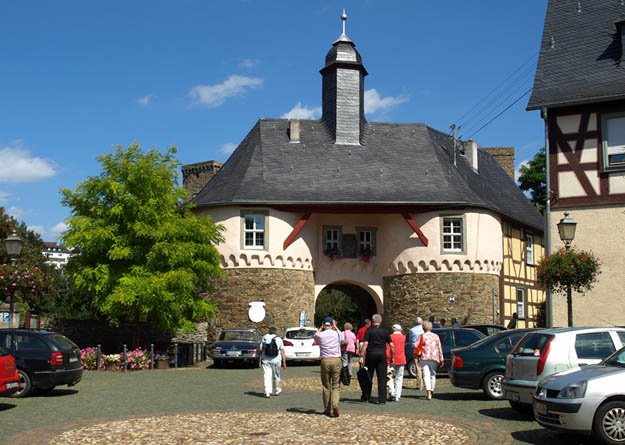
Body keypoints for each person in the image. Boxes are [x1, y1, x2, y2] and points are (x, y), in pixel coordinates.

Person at [359, 313, 393, 405]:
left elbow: (365, 344)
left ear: (373, 321)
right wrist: (392, 356)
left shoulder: (369, 330)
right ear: (380, 321)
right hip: (382, 355)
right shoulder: (385, 331)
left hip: (371, 354)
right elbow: (391, 345)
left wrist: (361, 355)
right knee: (382, 378)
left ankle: (366, 396)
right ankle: (382, 399)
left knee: (368, 376)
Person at [314, 316, 343, 417]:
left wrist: (321, 327)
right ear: (332, 324)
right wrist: (336, 327)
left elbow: (315, 335)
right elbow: (342, 337)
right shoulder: (336, 334)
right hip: (336, 360)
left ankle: (327, 409)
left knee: (326, 386)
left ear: (323, 324)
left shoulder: (320, 335)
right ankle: (335, 404)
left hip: (325, 361)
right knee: (335, 385)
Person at [417, 321, 444, 400]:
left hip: (424, 357)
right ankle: (431, 390)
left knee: (426, 375)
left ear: (423, 328)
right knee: (433, 374)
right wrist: (441, 358)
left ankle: (428, 391)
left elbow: (416, 345)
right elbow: (439, 347)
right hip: (434, 357)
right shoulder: (436, 336)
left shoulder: (422, 336)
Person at [259, 327, 286, 398]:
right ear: (275, 332)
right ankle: (277, 389)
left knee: (267, 375)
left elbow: (260, 349)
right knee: (276, 375)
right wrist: (284, 362)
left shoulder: (265, 337)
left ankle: (267, 392)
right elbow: (282, 351)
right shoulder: (279, 339)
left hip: (266, 360)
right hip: (276, 359)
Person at [386, 324, 406, 401]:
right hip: (401, 358)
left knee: (390, 376)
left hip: (391, 359)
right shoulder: (403, 337)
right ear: (400, 330)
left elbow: (388, 349)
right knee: (399, 377)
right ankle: (397, 395)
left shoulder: (390, 337)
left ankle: (392, 391)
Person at [408, 317, 425, 390]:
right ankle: (426, 384)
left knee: (418, 367)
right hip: (424, 349)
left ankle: (420, 385)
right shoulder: (424, 330)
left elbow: (410, 340)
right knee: (425, 366)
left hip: (415, 350)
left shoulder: (412, 330)